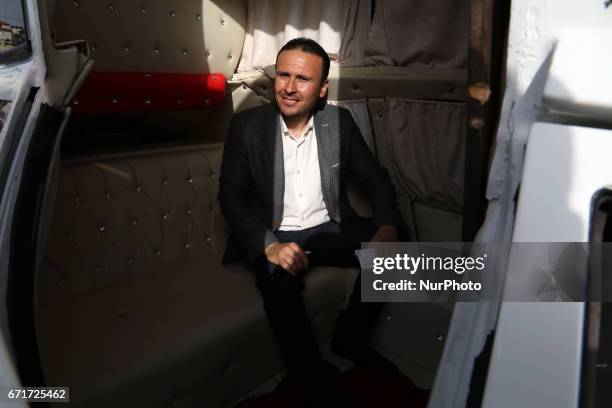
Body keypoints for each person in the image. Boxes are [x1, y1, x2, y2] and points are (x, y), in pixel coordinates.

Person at [218, 38, 401, 407]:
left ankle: (350, 337)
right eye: (283, 75)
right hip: (276, 233)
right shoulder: (246, 126)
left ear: (321, 89)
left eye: (302, 78)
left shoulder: (339, 122)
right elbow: (231, 198)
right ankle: (313, 379)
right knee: (275, 279)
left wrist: (387, 226)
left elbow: (375, 178)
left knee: (399, 243)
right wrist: (268, 244)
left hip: (329, 228)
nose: (288, 86)